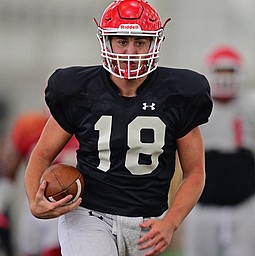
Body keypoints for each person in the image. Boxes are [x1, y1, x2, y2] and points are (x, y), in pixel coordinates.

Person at [24, 1, 213, 256]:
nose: (130, 51)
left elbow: (195, 172)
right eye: (122, 41)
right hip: (89, 215)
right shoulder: (78, 89)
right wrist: (34, 201)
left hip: (148, 221)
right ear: (107, 42)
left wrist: (171, 221)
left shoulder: (179, 93)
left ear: (154, 43)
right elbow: (42, 154)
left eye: (140, 42)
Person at [183, 45, 255, 256]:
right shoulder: (193, 106)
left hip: (245, 205)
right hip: (201, 206)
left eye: (230, 71)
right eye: (220, 71)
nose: (225, 77)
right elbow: (174, 157)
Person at [0, 111, 78, 256]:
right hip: (33, 198)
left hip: (65, 204)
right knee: (28, 249)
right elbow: (10, 172)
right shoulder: (30, 125)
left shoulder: (83, 123)